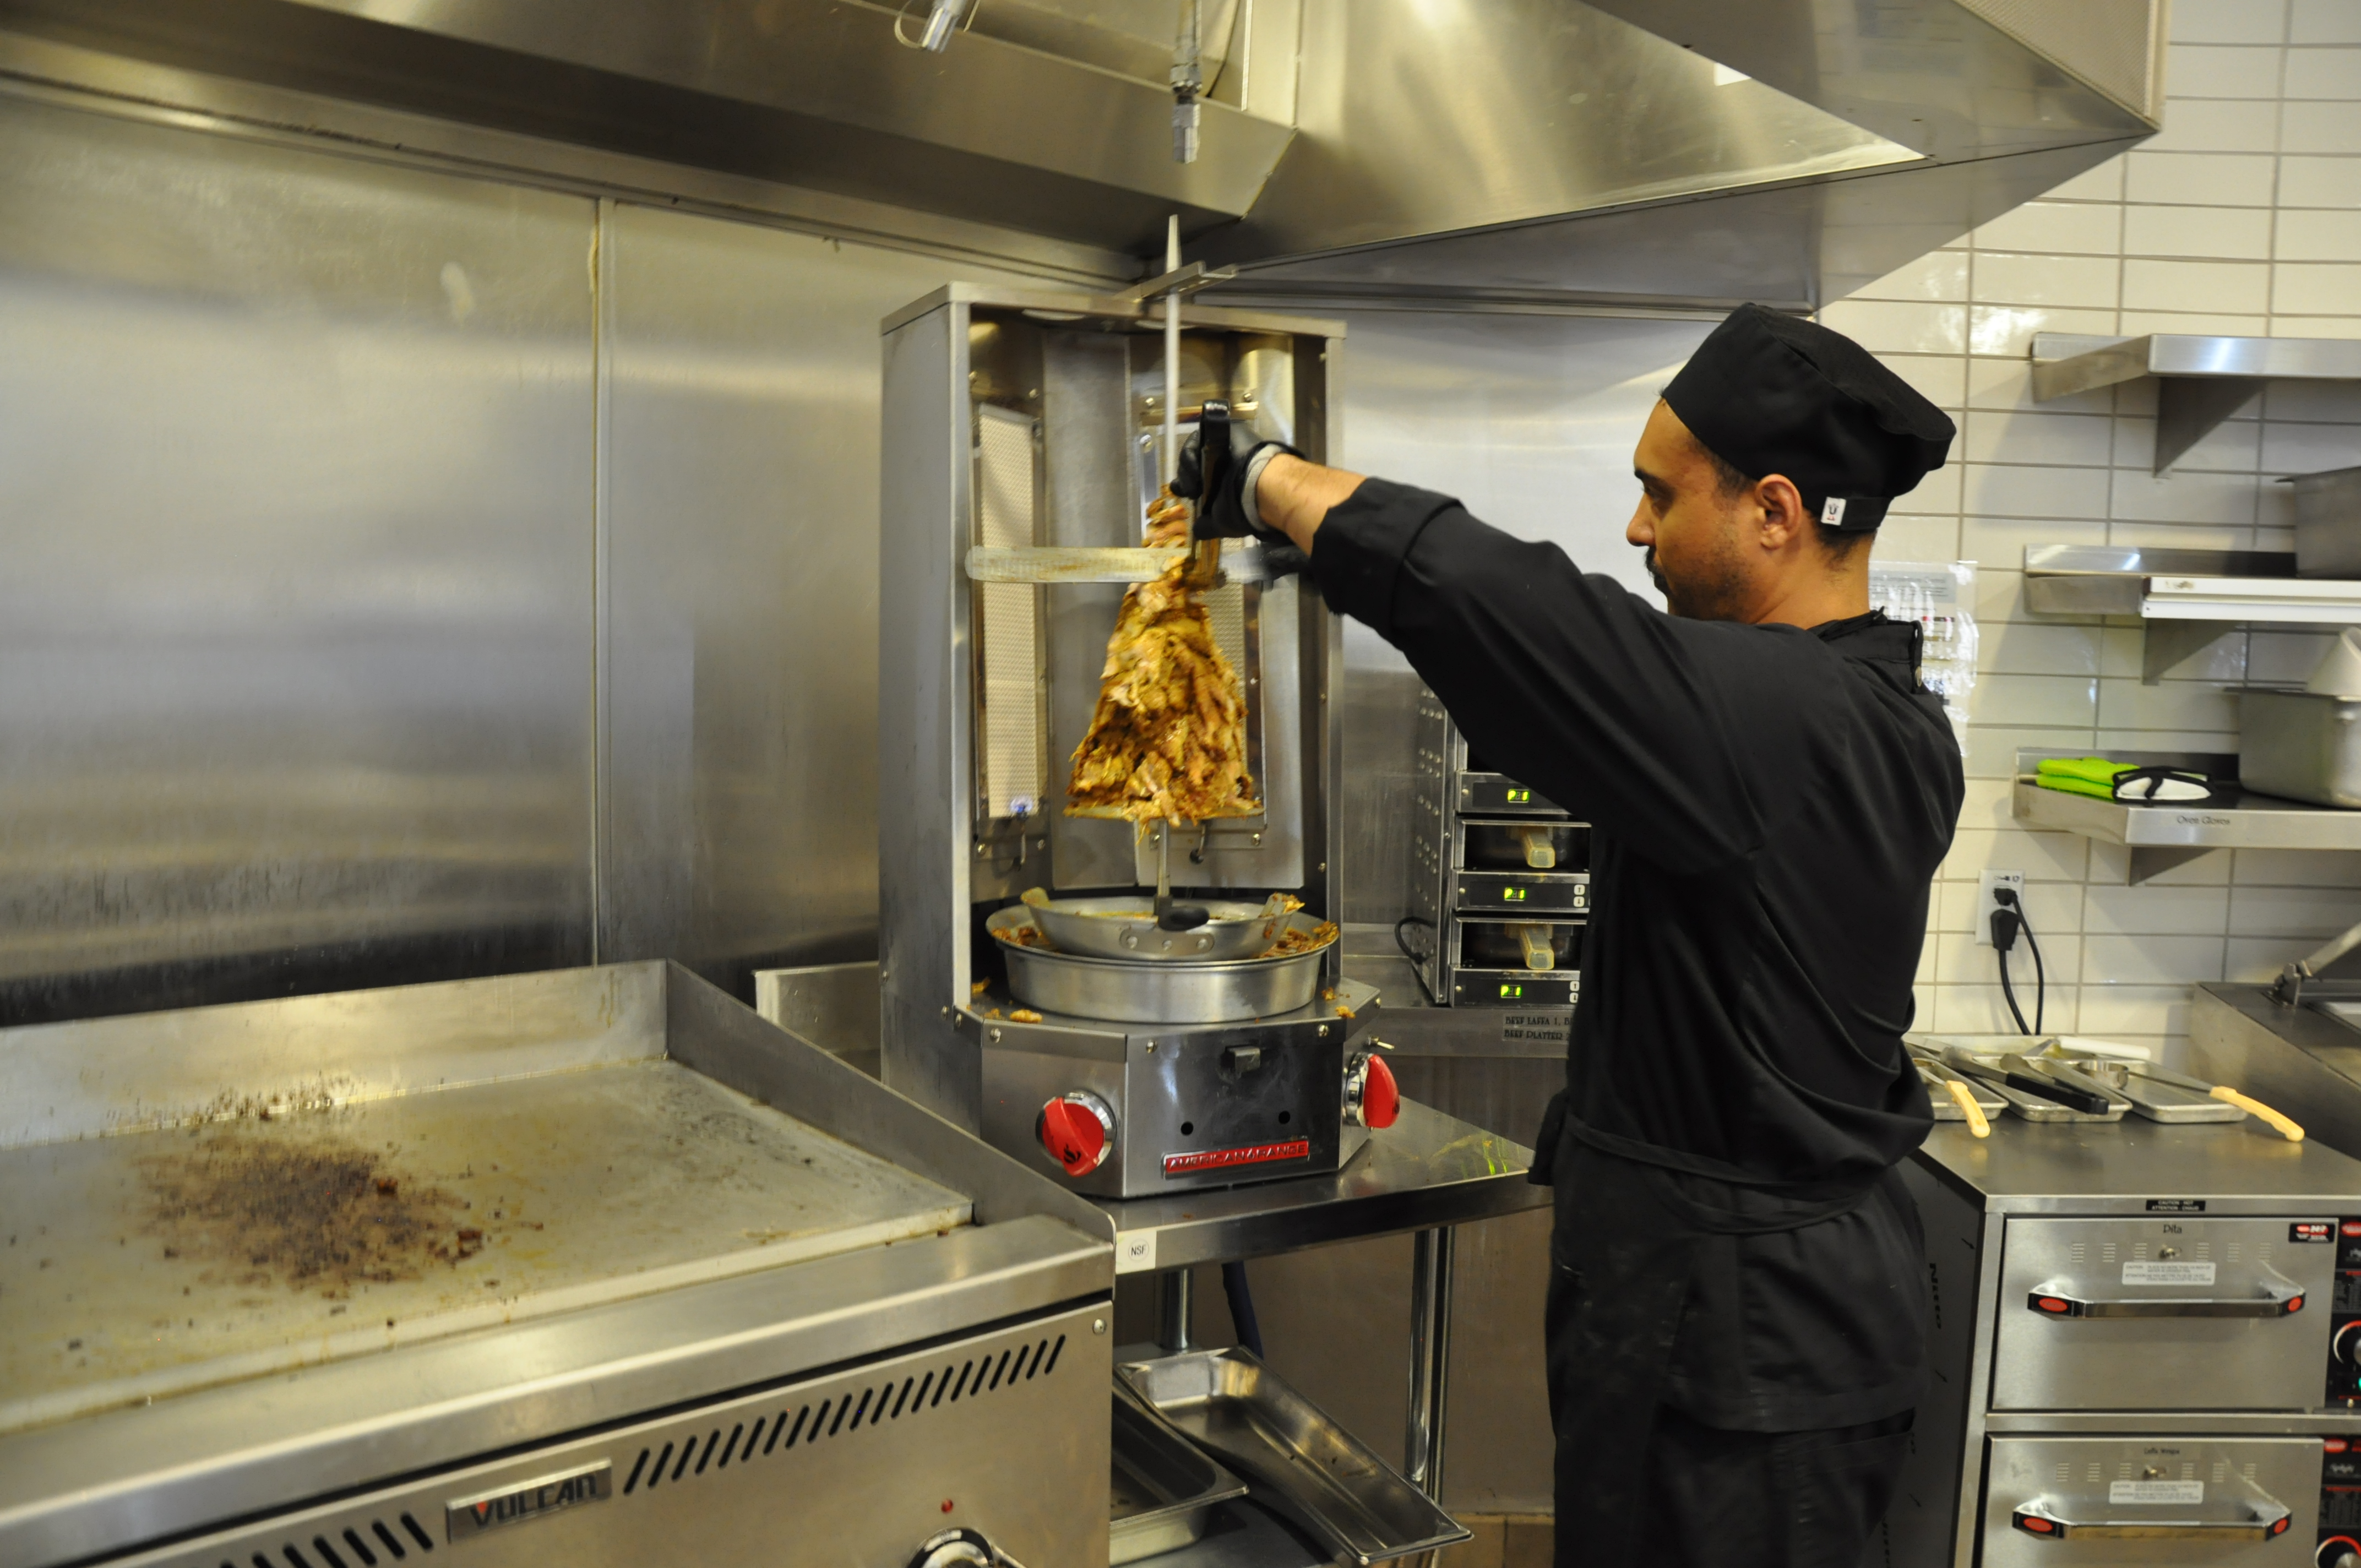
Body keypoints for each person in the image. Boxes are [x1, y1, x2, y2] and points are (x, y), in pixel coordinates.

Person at [1176, 303, 1964, 1568]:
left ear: (1773, 512)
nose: (1636, 528)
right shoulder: (1833, 713)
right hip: (1719, 1332)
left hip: (1749, 1355)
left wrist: (1268, 477)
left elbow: (1524, 615)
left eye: (1660, 494)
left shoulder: (1796, 716)